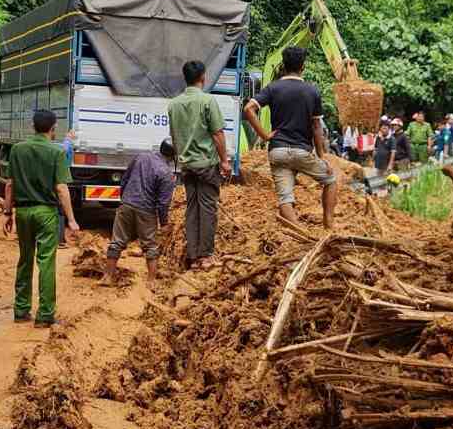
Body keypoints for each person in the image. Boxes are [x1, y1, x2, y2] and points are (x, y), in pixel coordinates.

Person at [243, 46, 339, 229]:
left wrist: (264, 135)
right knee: (331, 180)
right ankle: (329, 226)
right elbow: (316, 126)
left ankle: (301, 233)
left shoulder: (272, 88)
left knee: (285, 199)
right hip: (301, 151)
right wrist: (322, 155)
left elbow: (249, 109)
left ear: (283, 65)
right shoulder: (312, 91)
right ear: (303, 66)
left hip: (277, 151)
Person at [2, 109, 79, 326]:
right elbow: (62, 188)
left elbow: (10, 185)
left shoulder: (17, 150)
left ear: (32, 127)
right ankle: (45, 315)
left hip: (23, 212)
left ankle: (21, 310)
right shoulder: (56, 153)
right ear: (53, 129)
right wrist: (71, 220)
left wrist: (8, 212)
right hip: (46, 212)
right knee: (46, 262)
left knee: (25, 259)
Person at [168, 60, 232, 269]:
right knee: (207, 209)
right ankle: (206, 256)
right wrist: (224, 161)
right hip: (206, 164)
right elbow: (217, 133)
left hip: (187, 165)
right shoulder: (207, 101)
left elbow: (174, 136)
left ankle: (194, 255)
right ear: (203, 77)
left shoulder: (174, 104)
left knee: (192, 209)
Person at [105, 139, 177, 283]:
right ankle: (151, 282)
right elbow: (163, 203)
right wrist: (163, 223)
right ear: (173, 156)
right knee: (150, 245)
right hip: (146, 210)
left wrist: (124, 199)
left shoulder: (141, 157)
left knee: (117, 242)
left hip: (126, 204)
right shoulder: (166, 173)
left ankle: (108, 276)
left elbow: (125, 178)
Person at [57, 129, 76, 247]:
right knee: (60, 209)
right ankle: (60, 240)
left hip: (59, 177)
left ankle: (60, 239)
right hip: (62, 177)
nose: (75, 135)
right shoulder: (67, 144)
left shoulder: (65, 144)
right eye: (73, 133)